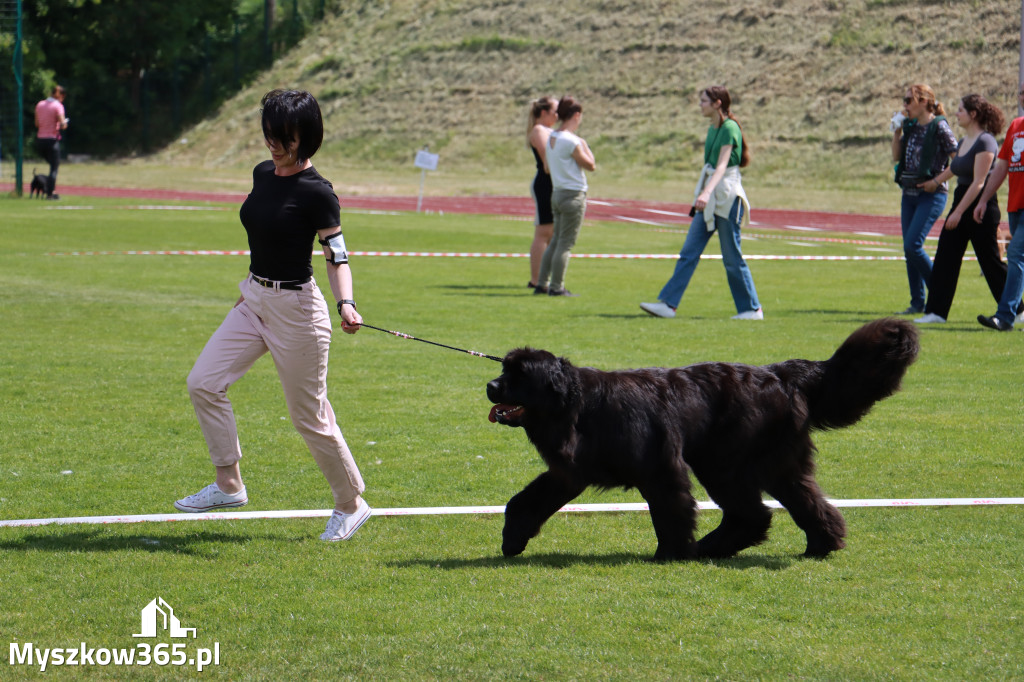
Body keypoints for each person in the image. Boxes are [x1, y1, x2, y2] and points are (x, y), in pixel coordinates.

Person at [176, 90, 371, 542]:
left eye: (285, 136)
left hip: (298, 311)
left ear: (307, 136)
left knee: (310, 417)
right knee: (203, 382)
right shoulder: (263, 174)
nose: (274, 143)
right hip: (253, 299)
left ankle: (351, 504)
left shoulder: (319, 193)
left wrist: (347, 303)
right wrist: (251, 293)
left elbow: (336, 255)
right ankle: (229, 485)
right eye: (270, 132)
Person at [640, 85, 762, 320]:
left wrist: (705, 193)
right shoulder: (712, 129)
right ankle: (668, 304)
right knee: (689, 251)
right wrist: (705, 193)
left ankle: (751, 309)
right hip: (711, 197)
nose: (700, 105)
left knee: (732, 257)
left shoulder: (729, 128)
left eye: (704, 101)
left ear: (718, 103)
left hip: (726, 197)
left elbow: (722, 166)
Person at [914, 95, 1007, 324]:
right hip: (962, 201)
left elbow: (979, 182)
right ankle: (936, 312)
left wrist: (957, 213)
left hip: (980, 207)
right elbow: (955, 168)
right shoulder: (965, 141)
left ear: (973, 114)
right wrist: (935, 182)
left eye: (960, 110)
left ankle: (1017, 309)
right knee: (946, 256)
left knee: (990, 261)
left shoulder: (986, 141)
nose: (956, 114)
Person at [891, 83, 958, 315]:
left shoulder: (939, 126)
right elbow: (896, 157)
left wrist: (937, 181)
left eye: (908, 100)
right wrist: (896, 131)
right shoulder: (909, 127)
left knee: (913, 245)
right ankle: (917, 302)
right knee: (909, 249)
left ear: (923, 102)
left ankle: (938, 291)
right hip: (908, 194)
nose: (904, 105)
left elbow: (958, 160)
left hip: (931, 195)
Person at [534, 96, 596, 297]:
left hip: (557, 192)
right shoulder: (572, 140)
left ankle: (542, 283)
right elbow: (590, 165)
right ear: (576, 115)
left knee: (555, 241)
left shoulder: (552, 137)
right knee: (565, 243)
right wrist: (584, 144)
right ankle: (557, 286)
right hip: (573, 194)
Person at [974, 83, 1024, 331]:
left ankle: (1005, 316)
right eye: (1022, 92)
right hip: (1015, 206)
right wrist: (983, 199)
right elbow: (1002, 167)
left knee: (1015, 254)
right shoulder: (1016, 126)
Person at [526, 96, 558, 289]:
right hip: (545, 184)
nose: (558, 115)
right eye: (555, 111)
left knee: (553, 233)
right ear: (544, 112)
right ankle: (536, 280)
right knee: (543, 232)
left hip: (554, 183)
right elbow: (548, 161)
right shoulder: (539, 130)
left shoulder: (551, 130)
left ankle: (545, 277)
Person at [34, 85, 68, 200]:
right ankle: (50, 193)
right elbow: (63, 124)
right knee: (54, 168)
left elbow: (37, 124)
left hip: (40, 141)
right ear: (60, 96)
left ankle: (47, 187)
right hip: (52, 141)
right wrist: (64, 123)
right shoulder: (58, 106)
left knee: (51, 166)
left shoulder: (40, 104)